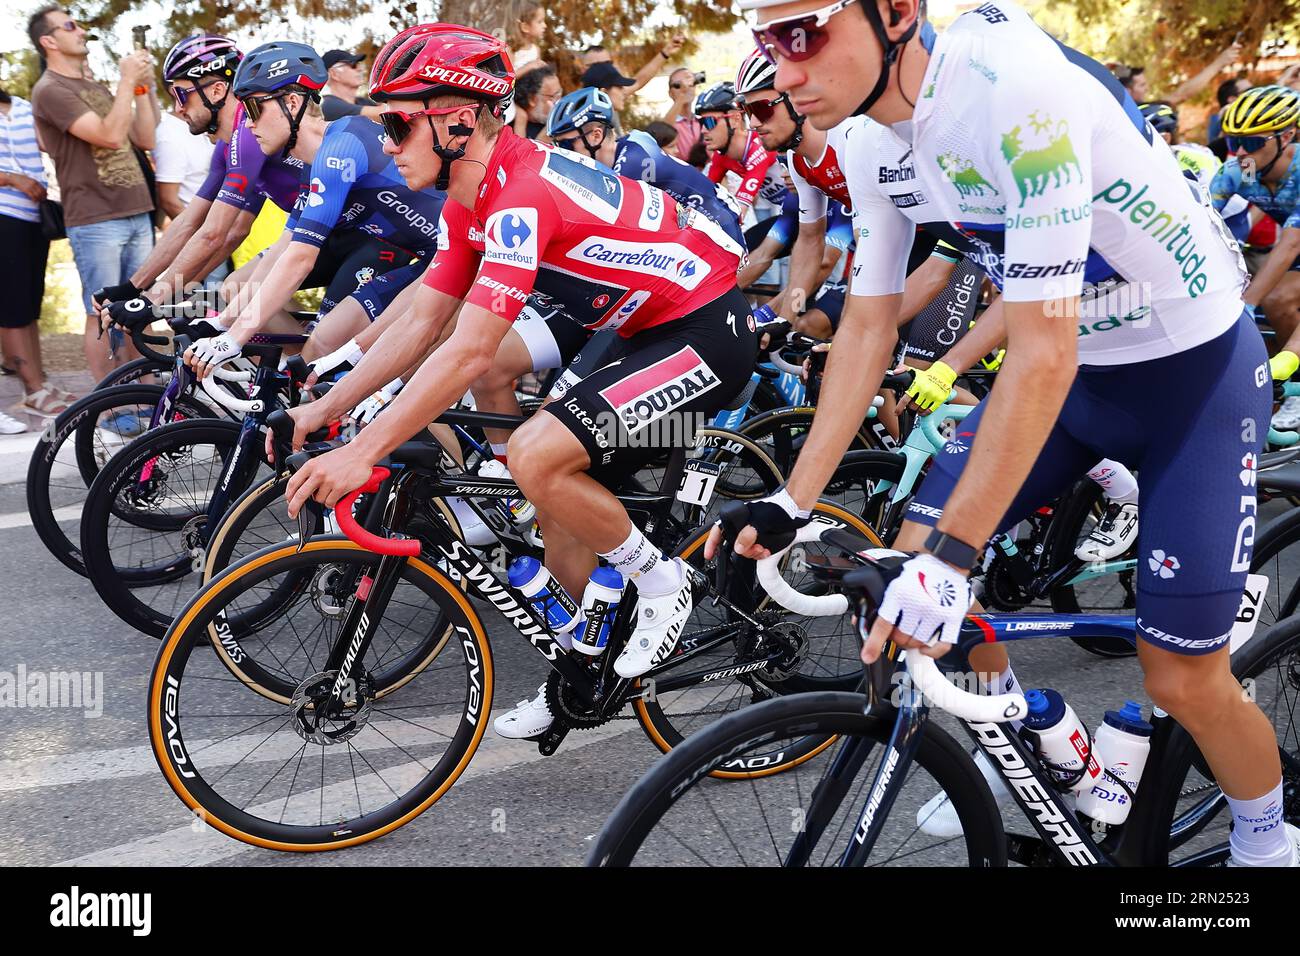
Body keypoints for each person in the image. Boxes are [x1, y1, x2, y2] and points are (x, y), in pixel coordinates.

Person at [718, 0, 1296, 866]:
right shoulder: (870, 140)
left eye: (804, 34)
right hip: (1078, 377)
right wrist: (791, 499)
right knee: (908, 564)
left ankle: (1266, 841)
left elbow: (1042, 349)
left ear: (897, 15)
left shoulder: (1012, 89)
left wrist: (953, 562)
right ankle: (1031, 740)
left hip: (1191, 378)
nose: (786, 69)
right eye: (769, 43)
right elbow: (869, 329)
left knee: (1182, 676)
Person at [281, 23, 755, 738]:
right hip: (640, 329)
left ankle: (664, 581)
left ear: (458, 119)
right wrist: (326, 405)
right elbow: (420, 325)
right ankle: (581, 667)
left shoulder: (521, 196)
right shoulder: (472, 197)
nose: (385, 143)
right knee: (551, 494)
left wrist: (362, 451)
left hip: (707, 329)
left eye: (399, 124)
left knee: (535, 451)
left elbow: (469, 353)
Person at [183, 41, 447, 375]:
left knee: (330, 347)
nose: (248, 125)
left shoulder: (341, 148)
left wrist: (234, 339)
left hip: (456, 255)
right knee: (320, 353)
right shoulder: (315, 163)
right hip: (429, 256)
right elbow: (283, 250)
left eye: (253, 110)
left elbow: (300, 260)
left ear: (291, 103)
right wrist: (223, 324)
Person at [95, 35, 307, 338]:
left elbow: (214, 233)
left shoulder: (247, 134)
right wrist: (134, 288)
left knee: (318, 342)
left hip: (362, 234)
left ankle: (315, 372)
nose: (178, 109)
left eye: (181, 96)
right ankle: (295, 376)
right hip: (322, 235)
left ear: (217, 90)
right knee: (236, 290)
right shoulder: (227, 147)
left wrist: (151, 298)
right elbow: (197, 224)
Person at [28, 5, 158, 384]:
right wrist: (124, 81)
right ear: (48, 41)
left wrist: (142, 88)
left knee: (139, 309)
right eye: (70, 25)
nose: (81, 30)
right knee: (100, 313)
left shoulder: (93, 87)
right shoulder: (50, 90)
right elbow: (109, 135)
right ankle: (108, 406)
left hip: (137, 211)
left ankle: (146, 393)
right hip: (96, 219)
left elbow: (144, 138)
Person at [1211, 85, 1300, 429]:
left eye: (1251, 143)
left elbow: (1291, 244)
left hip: (1294, 244)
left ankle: (1294, 385)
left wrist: (1246, 303)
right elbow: (1201, 225)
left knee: (1275, 297)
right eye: (1234, 143)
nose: (1239, 154)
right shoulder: (1244, 171)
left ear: (1287, 135)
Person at [0, 83, 70, 424]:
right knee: (11, 306)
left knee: (29, 304)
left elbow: (51, 142)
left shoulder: (24, 107)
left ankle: (41, 383)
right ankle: (31, 391)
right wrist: (13, 179)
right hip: (3, 215)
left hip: (34, 218)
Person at [697, 81, 786, 219]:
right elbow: (702, 195)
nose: (703, 130)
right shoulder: (721, 157)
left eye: (709, 122)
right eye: (700, 123)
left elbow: (739, 211)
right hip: (776, 205)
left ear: (735, 119)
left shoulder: (758, 146)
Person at [152, 105, 216, 221]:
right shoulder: (170, 134)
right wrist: (200, 234)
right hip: (200, 228)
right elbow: (169, 201)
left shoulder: (203, 124)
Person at [320, 49, 383, 122]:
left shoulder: (363, 102)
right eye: (353, 65)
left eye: (359, 64)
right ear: (334, 74)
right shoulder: (329, 106)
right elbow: (385, 114)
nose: (360, 69)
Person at [512, 63, 560, 139]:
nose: (558, 101)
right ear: (531, 99)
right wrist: (550, 129)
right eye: (552, 96)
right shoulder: (513, 128)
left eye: (559, 93)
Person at [663, 67, 702, 159]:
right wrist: (681, 98)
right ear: (670, 93)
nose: (685, 88)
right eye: (677, 85)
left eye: (690, 84)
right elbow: (663, 132)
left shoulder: (702, 121)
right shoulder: (670, 123)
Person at [508, 1, 549, 75]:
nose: (545, 25)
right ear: (525, 27)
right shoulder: (512, 50)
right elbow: (507, 78)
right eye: (540, 22)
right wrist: (529, 67)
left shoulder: (536, 50)